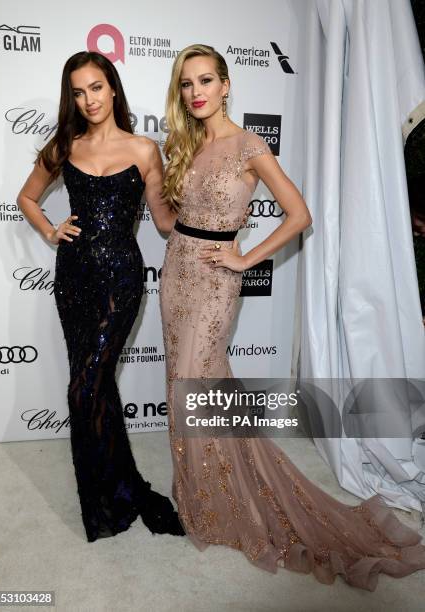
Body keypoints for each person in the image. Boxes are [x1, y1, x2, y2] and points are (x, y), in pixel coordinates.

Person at [159, 43, 425, 590]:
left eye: (206, 80)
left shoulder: (248, 145)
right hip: (175, 274)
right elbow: (168, 223)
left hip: (213, 281)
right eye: (187, 84)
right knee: (187, 386)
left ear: (226, 85)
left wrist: (244, 257)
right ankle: (200, 493)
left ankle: (219, 501)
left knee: (195, 385)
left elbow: (299, 214)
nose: (197, 92)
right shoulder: (183, 143)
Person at [17, 51, 182, 542]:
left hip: (121, 281)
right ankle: (115, 490)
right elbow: (26, 197)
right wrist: (50, 230)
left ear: (112, 87)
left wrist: (204, 199)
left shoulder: (144, 149)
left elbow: (166, 222)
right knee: (97, 386)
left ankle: (109, 500)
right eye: (77, 91)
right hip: (73, 278)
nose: (88, 99)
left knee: (84, 386)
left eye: (95, 87)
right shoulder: (64, 145)